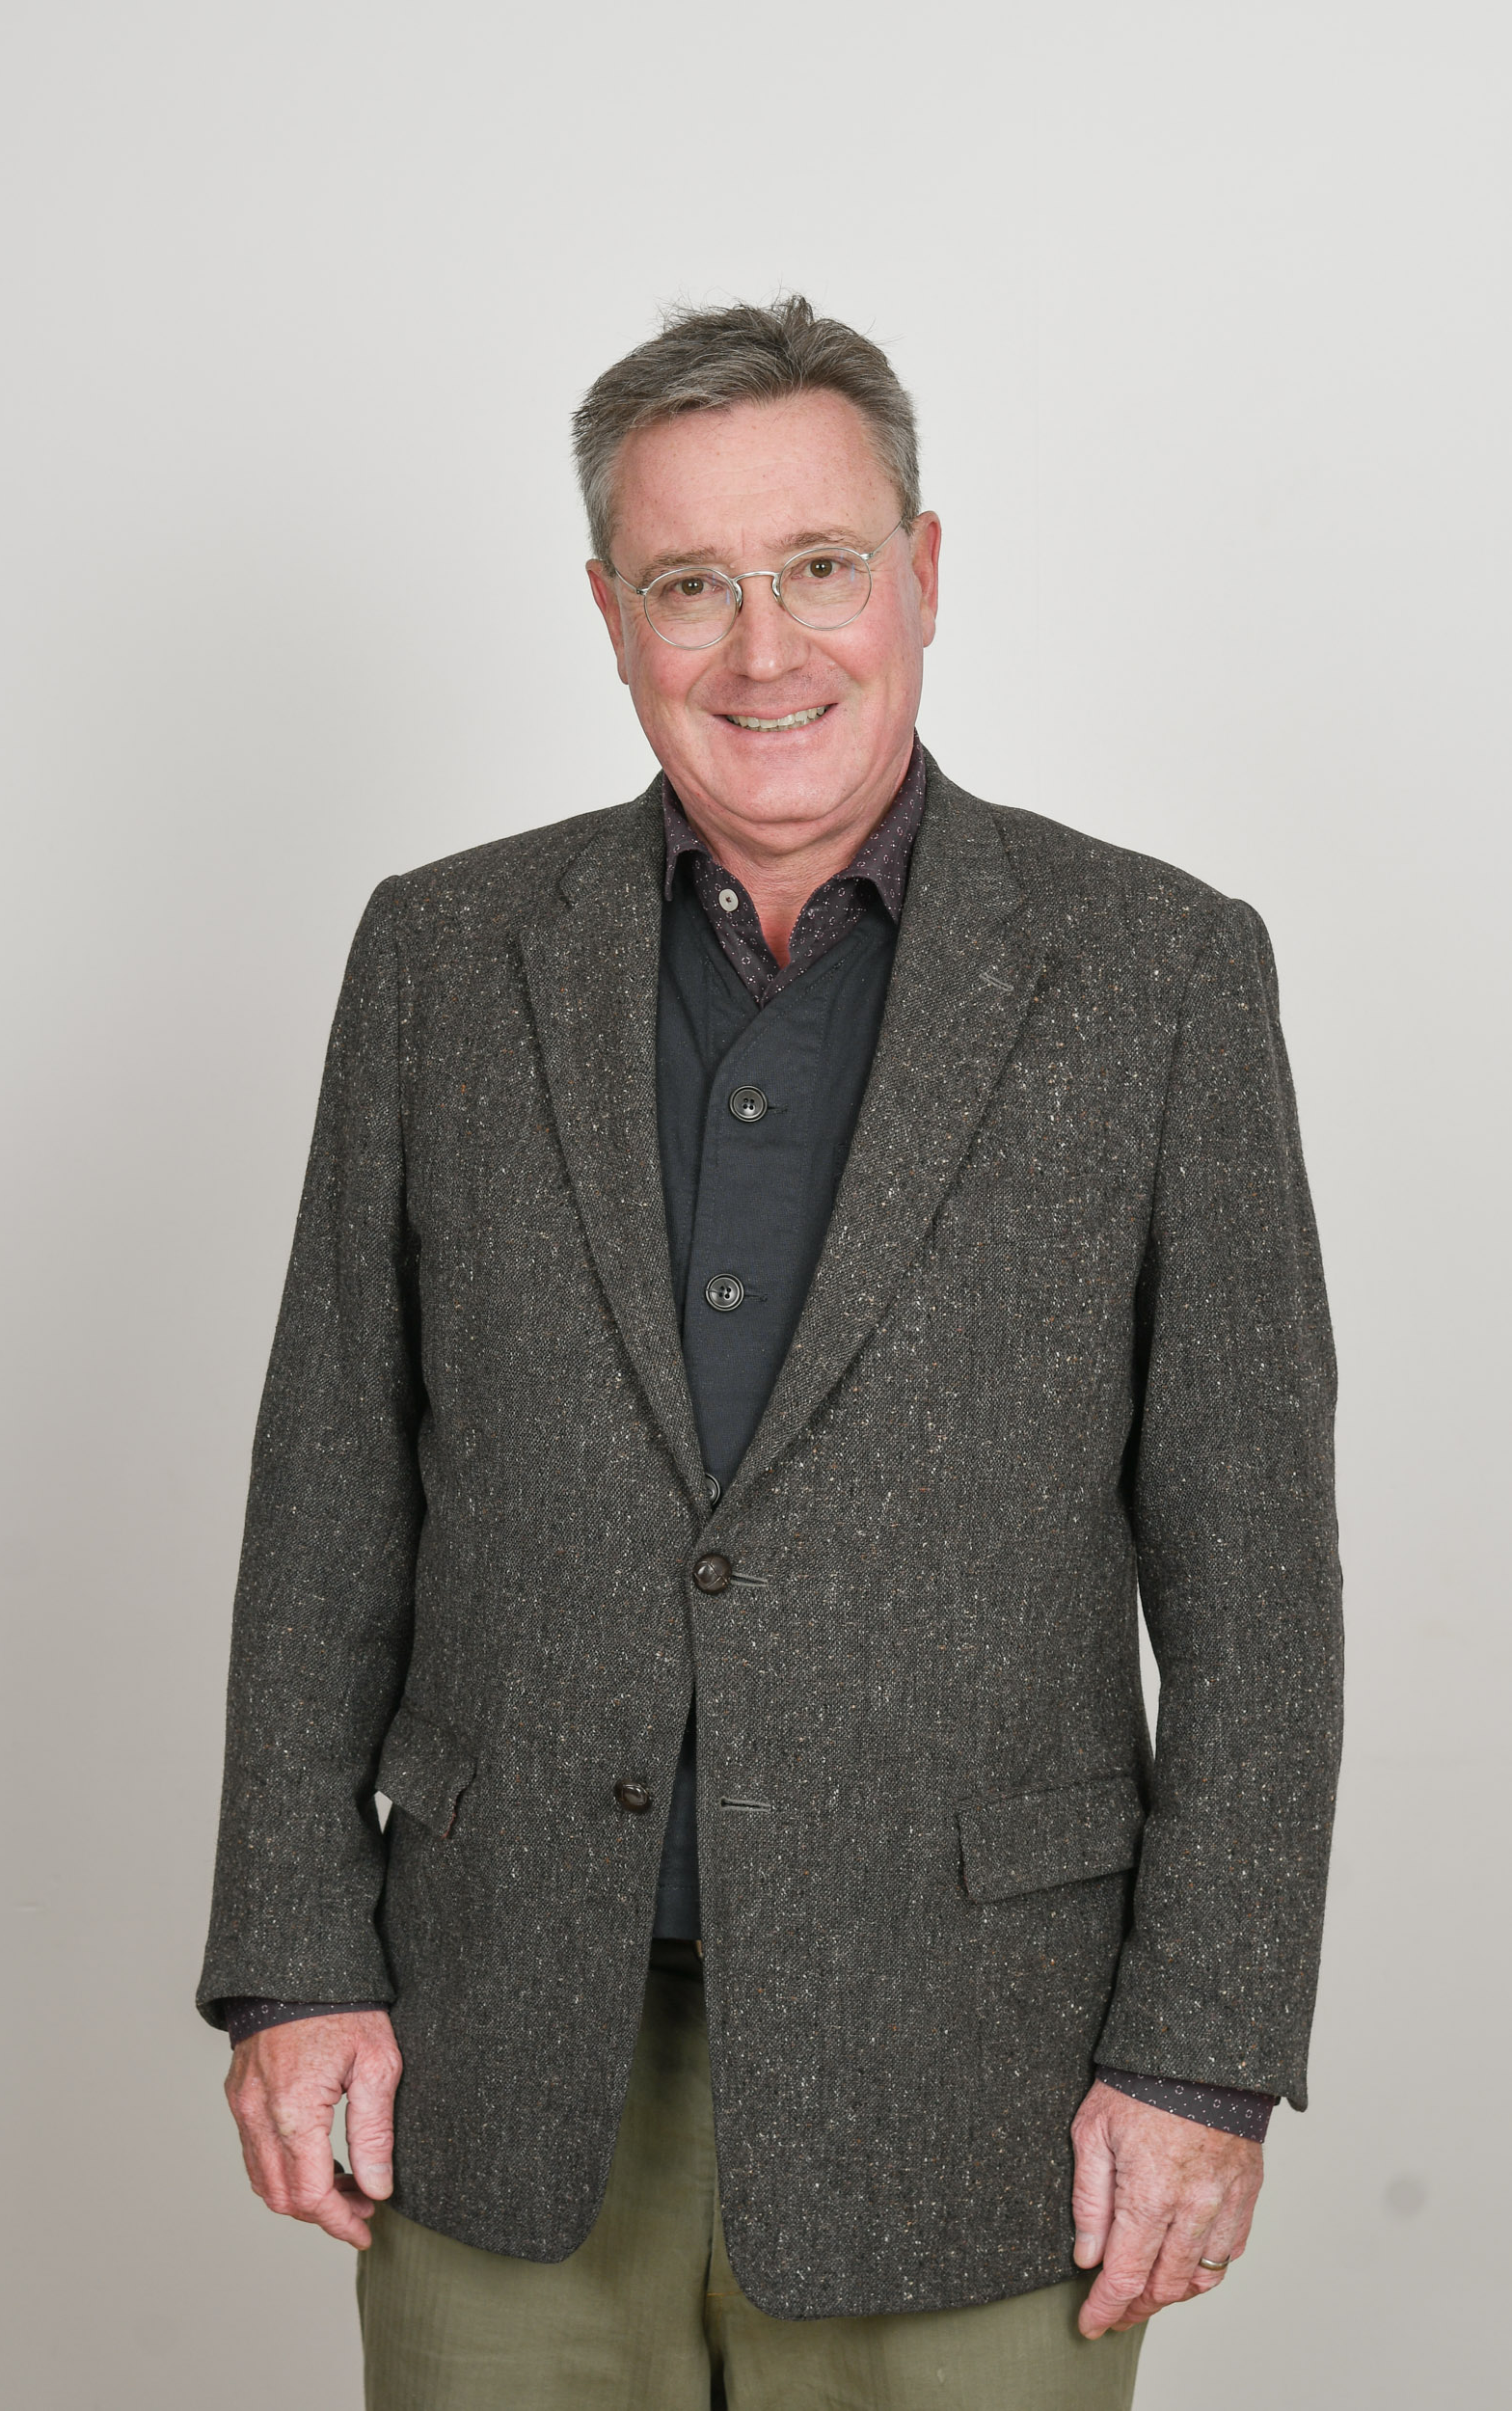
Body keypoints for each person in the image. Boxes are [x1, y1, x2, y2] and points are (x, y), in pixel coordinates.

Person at [200, 296, 1342, 2410]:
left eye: (819, 565)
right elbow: (329, 1488)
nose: (763, 647)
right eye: (689, 583)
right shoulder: (440, 957)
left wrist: (1203, 2055)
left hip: (989, 2089)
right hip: (493, 2058)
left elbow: (1256, 1575)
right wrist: (290, 1965)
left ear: (923, 572)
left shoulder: (1158, 975)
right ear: (608, 615)